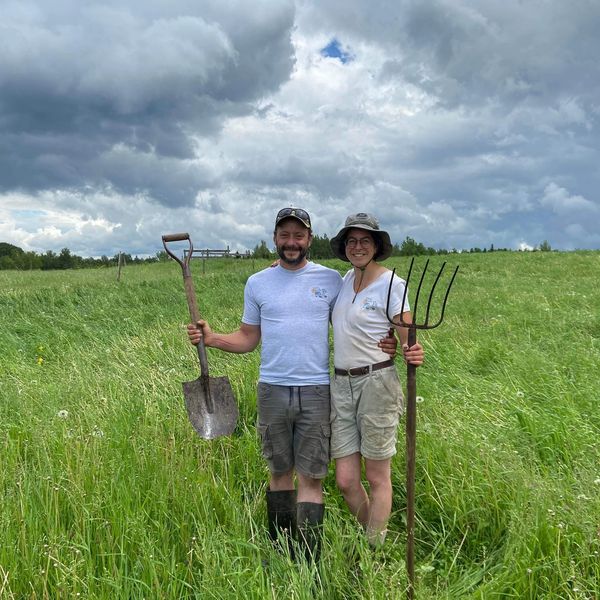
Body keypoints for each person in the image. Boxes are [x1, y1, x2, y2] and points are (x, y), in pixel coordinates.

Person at [187, 207, 397, 561]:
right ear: (274, 239)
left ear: (309, 239)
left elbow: (365, 307)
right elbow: (248, 338)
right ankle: (280, 550)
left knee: (312, 476)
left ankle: (308, 559)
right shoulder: (258, 283)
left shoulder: (333, 279)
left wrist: (390, 339)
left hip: (317, 391)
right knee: (279, 471)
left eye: (299, 235)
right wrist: (213, 338)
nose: (291, 242)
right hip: (271, 390)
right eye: (284, 235)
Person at [329, 212, 424, 547]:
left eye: (364, 241)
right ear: (344, 247)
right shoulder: (344, 280)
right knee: (345, 480)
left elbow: (407, 334)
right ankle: (377, 536)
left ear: (376, 245)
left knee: (376, 476)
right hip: (341, 385)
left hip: (376, 383)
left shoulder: (392, 283)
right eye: (351, 241)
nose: (357, 247)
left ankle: (373, 551)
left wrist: (409, 348)